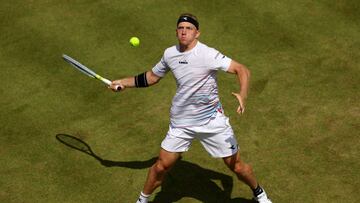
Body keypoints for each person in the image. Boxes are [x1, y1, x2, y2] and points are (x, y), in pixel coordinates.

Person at [110, 13, 272, 203]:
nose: (184, 31)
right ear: (176, 32)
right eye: (180, 28)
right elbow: (151, 77)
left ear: (197, 33)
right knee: (160, 167)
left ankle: (259, 193)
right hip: (181, 123)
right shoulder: (170, 54)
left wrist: (243, 94)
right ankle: (142, 200)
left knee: (236, 167)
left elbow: (242, 69)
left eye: (189, 28)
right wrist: (122, 82)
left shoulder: (207, 54)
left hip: (211, 121)